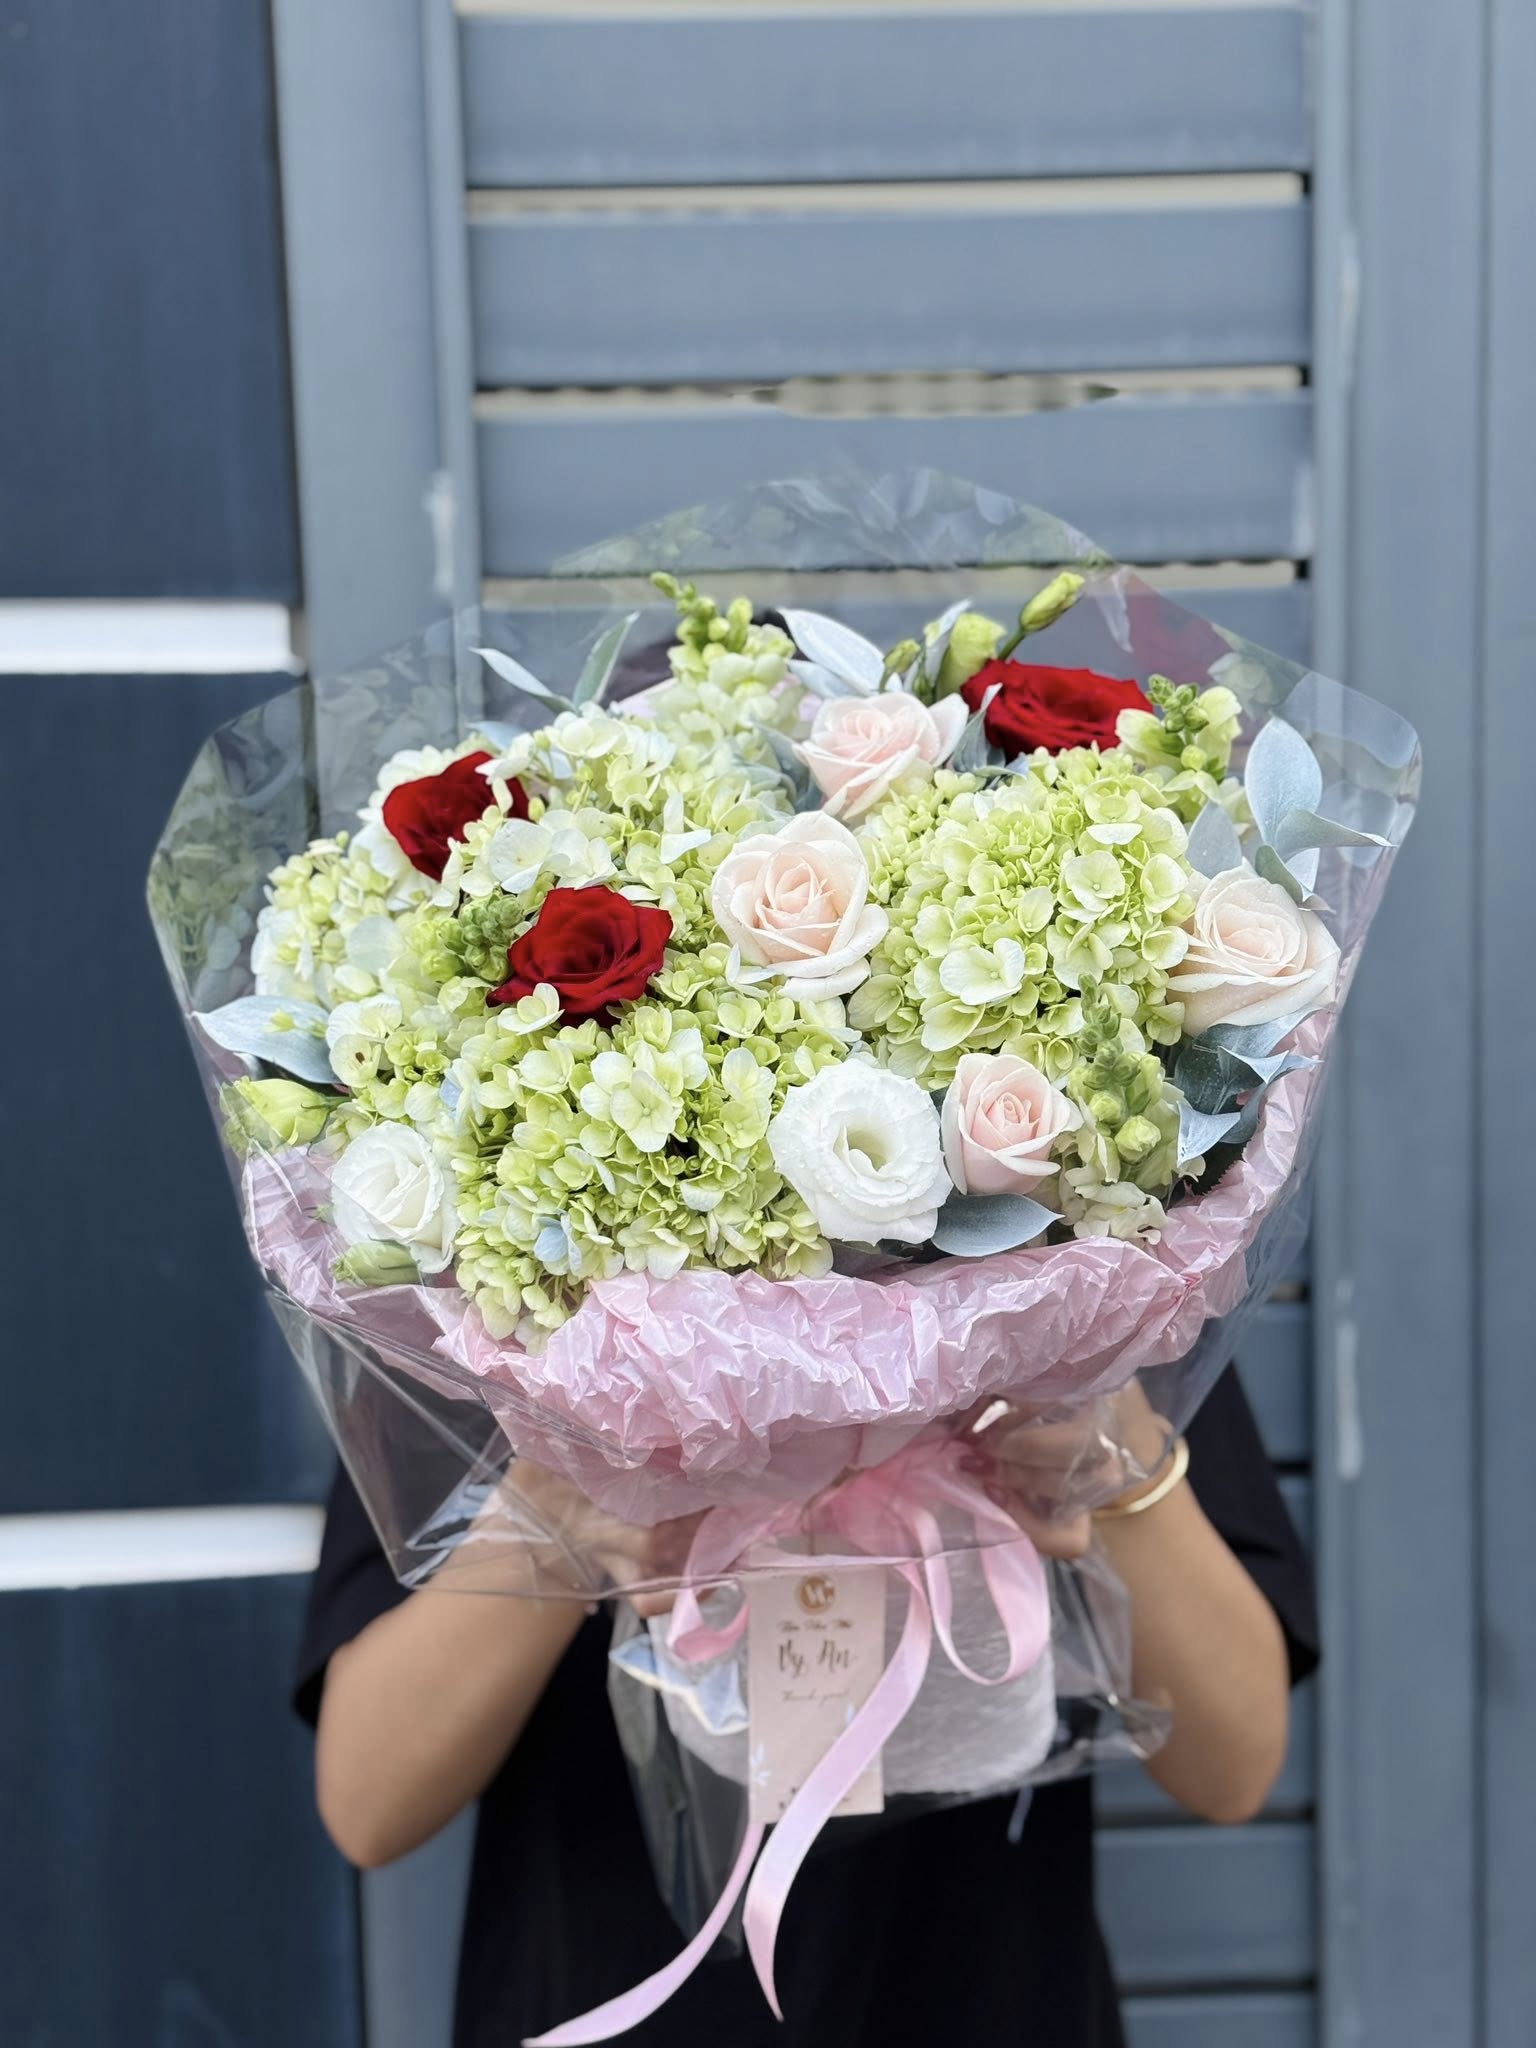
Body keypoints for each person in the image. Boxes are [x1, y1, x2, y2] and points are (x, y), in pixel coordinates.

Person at [295, 1367, 1316, 2048]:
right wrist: (554, 1511)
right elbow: (370, 1797)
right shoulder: (501, 1258)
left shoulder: (1077, 1234)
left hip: (991, 1998)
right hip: (605, 2004)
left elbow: (1232, 1762)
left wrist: (1113, 1454)